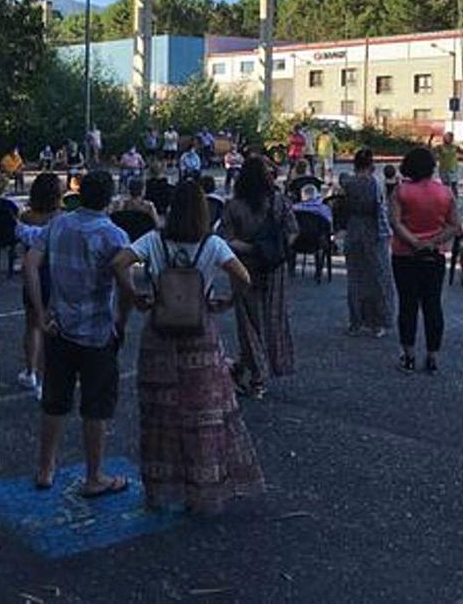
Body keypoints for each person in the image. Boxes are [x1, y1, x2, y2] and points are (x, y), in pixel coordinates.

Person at [110, 181, 265, 512]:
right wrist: (226, 301)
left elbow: (119, 263)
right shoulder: (213, 244)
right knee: (203, 416)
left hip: (159, 335)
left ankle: (159, 490)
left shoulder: (154, 241)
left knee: (159, 417)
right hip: (200, 335)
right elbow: (244, 277)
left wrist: (134, 295)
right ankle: (202, 491)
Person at [25, 170, 131, 497]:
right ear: (110, 198)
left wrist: (41, 312)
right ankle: (94, 475)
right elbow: (127, 285)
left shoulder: (58, 224)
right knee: (95, 406)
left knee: (54, 402)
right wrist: (121, 321)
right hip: (97, 331)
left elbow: (30, 263)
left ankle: (45, 467)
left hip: (58, 328)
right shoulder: (113, 236)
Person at [222, 157, 298, 398]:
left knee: (248, 323)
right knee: (273, 320)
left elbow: (227, 240)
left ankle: (254, 374)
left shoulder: (233, 206)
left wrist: (252, 248)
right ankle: (262, 368)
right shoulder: (279, 202)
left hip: (244, 268)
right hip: (274, 268)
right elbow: (293, 232)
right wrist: (274, 249)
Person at [389, 147, 460, 372]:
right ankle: (432, 357)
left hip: (405, 254)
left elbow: (395, 222)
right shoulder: (446, 193)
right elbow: (455, 225)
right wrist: (433, 242)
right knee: (432, 305)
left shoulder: (401, 191)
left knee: (407, 305)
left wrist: (414, 241)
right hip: (434, 255)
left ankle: (408, 356)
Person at [17, 172, 64, 397]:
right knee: (51, 330)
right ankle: (45, 382)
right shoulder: (62, 218)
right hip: (55, 275)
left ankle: (30, 371)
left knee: (32, 325)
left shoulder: (25, 217)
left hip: (32, 274)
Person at [342, 149, 394, 338]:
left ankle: (356, 320)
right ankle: (378, 321)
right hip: (373, 231)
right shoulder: (375, 183)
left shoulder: (348, 183)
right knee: (378, 277)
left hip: (354, 229)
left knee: (355, 277)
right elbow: (381, 209)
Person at [431, 131, 463, 198]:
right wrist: (431, 140)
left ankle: (455, 200)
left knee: (454, 185)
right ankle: (446, 200)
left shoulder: (455, 147)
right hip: (443, 169)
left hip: (453, 169)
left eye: (449, 137)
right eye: (446, 137)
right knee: (445, 186)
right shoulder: (440, 147)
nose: (447, 138)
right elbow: (431, 151)